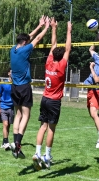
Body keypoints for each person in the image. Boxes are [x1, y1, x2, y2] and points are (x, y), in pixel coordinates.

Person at [32, 18, 72, 170]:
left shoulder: (49, 61)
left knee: (43, 126)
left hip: (44, 98)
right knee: (51, 129)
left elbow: (54, 45)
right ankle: (47, 156)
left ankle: (37, 152)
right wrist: (69, 30)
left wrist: (54, 28)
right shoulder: (61, 65)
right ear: (61, 57)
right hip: (54, 101)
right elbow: (67, 49)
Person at [10, 16, 50, 159]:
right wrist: (46, 27)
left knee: (18, 114)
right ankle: (18, 143)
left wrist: (39, 25)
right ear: (25, 43)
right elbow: (37, 38)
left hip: (14, 87)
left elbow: (30, 37)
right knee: (26, 115)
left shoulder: (13, 49)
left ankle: (15, 143)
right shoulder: (25, 50)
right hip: (24, 87)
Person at [0, 68, 13, 150]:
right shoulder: (3, 83)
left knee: (8, 125)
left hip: (11, 107)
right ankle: (6, 142)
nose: (13, 73)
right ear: (8, 73)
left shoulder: (16, 84)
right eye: (11, 72)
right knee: (5, 124)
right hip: (3, 106)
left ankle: (4, 141)